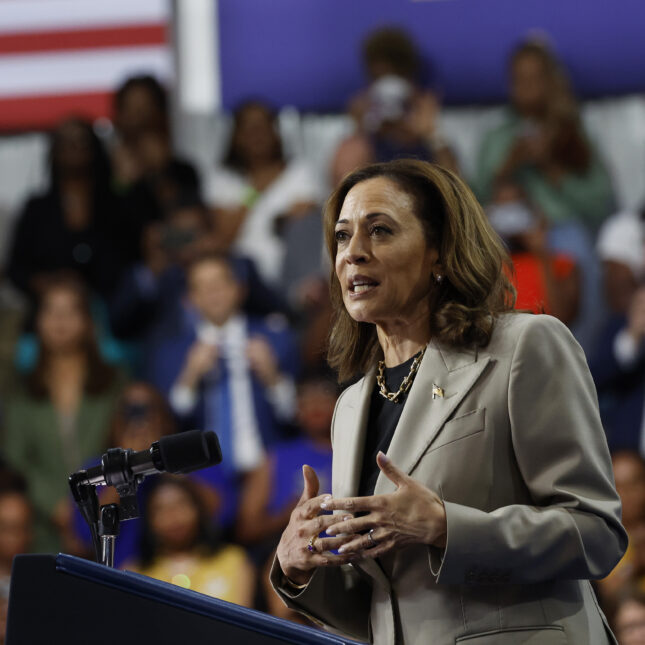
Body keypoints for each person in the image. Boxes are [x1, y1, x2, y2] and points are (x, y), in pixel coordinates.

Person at [270, 159, 626, 644]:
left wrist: (444, 526)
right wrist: (299, 567)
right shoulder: (351, 406)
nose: (353, 253)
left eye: (380, 230)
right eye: (342, 236)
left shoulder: (523, 347)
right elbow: (388, 607)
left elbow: (595, 534)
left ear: (438, 252)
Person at [2, 275, 124, 553]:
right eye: (51, 310)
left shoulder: (114, 384)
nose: (60, 320)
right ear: (39, 321)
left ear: (88, 321)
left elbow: (125, 445)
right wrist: (58, 507)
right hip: (43, 528)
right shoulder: (22, 391)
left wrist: (99, 504)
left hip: (110, 524)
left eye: (70, 311)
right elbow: (16, 461)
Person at [148, 253, 299, 476]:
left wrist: (272, 378)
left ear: (240, 289)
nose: (213, 293)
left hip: (267, 468)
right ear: (189, 299)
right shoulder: (171, 352)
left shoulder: (276, 338)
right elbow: (169, 423)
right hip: (205, 475)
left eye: (220, 282)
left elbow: (295, 415)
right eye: (202, 286)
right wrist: (189, 378)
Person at [204, 100, 323, 288]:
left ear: (276, 132)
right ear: (236, 136)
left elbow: (307, 223)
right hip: (241, 276)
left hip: (292, 274)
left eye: (263, 126)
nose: (257, 135)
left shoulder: (299, 171)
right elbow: (224, 235)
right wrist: (254, 191)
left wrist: (286, 218)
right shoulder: (222, 178)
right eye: (249, 128)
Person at [130, 475, 255, 606]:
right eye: (161, 509)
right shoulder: (135, 573)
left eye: (181, 504)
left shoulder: (233, 560)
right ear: (149, 521)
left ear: (198, 509)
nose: (173, 517)